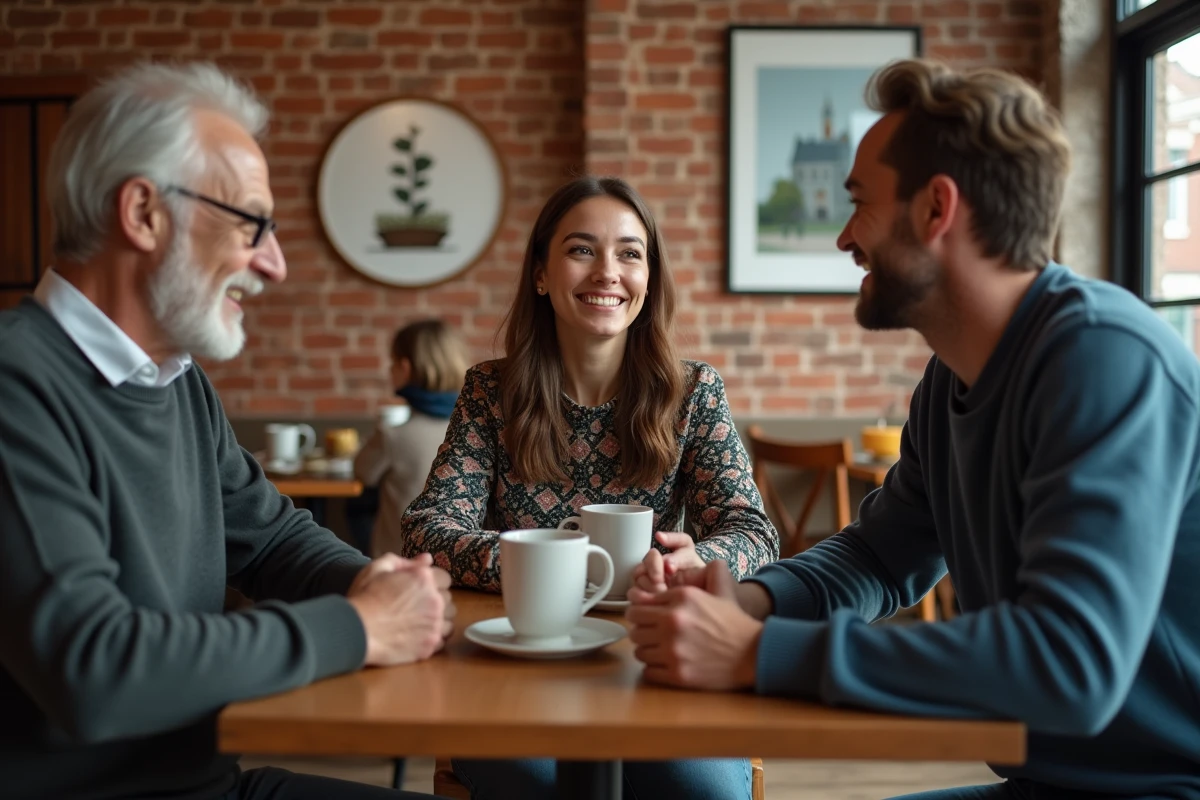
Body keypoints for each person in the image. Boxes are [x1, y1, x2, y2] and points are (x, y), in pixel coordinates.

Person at [626, 57, 1200, 800]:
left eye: (861, 202)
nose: (843, 238)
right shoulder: (951, 378)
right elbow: (879, 555)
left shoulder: (1105, 357)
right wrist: (748, 600)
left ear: (937, 210)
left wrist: (758, 655)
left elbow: (1071, 664)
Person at [0, 62, 454, 800]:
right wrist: (359, 627)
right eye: (251, 223)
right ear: (143, 213)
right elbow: (94, 668)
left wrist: (373, 582)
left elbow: (271, 538)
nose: (273, 264)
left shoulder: (179, 384)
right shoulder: (16, 385)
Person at [401, 176, 779, 799]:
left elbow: (753, 533)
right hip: (520, 667)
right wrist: (547, 566)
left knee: (697, 786)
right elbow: (428, 527)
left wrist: (699, 558)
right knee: (529, 779)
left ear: (649, 278)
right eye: (582, 250)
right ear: (542, 274)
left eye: (630, 253)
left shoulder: (693, 392)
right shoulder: (489, 392)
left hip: (657, 664)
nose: (608, 271)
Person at [355, 318, 469, 558]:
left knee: (357, 508)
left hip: (400, 561)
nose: (389, 369)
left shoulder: (393, 436)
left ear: (404, 368)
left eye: (392, 362)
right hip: (459, 560)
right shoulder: (474, 428)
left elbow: (362, 471)